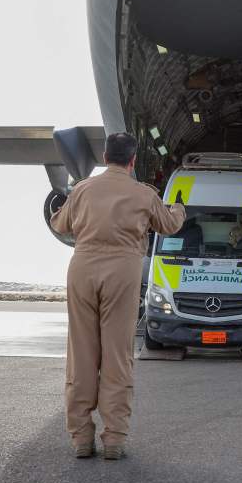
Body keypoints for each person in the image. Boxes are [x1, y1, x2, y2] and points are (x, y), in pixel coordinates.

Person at [49, 132, 186, 458]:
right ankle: (114, 440)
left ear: (105, 156)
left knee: (81, 354)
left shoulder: (82, 189)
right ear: (133, 160)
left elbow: (60, 224)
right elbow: (168, 225)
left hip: (82, 269)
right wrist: (179, 208)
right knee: (116, 355)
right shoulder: (143, 194)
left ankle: (82, 439)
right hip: (122, 272)